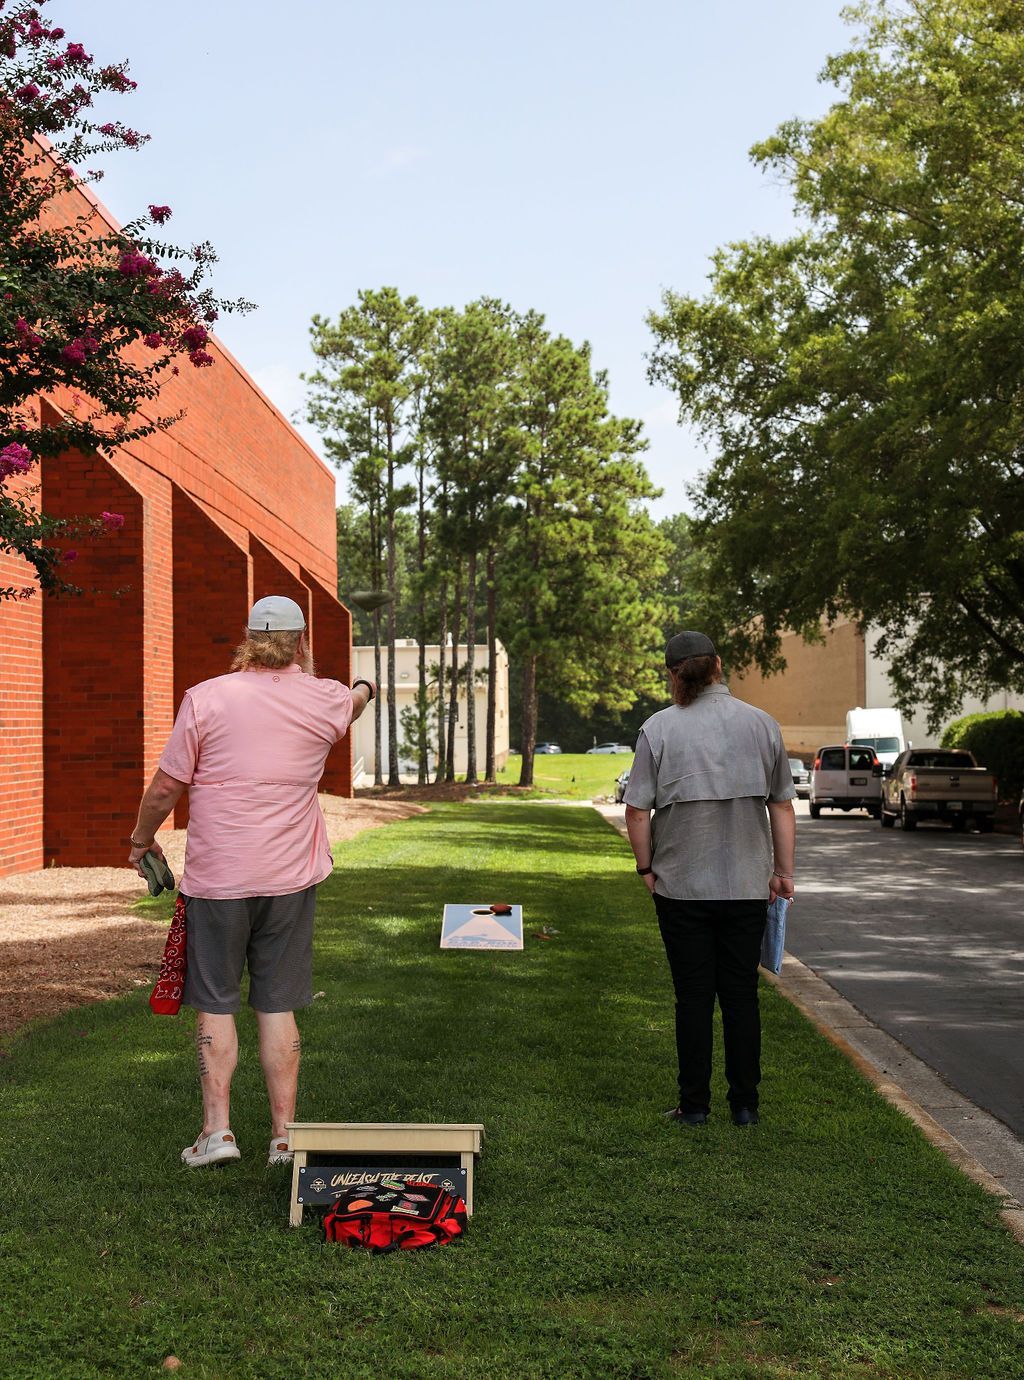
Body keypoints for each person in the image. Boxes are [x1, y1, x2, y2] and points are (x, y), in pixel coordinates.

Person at [127, 595, 375, 1168]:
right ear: (302, 642)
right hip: (289, 879)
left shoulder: (207, 697)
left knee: (215, 1002)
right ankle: (284, 1138)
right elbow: (354, 702)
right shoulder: (327, 700)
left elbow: (166, 788)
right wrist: (365, 687)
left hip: (217, 880)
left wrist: (140, 840)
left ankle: (217, 1134)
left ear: (248, 639)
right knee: (277, 1003)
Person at [623, 631, 796, 1128]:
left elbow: (637, 812)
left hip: (681, 887)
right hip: (747, 884)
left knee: (693, 996)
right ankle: (745, 1105)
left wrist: (646, 868)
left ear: (674, 676)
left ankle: (694, 1105)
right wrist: (782, 873)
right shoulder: (763, 725)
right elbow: (781, 805)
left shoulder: (658, 729)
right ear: (719, 665)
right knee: (741, 994)